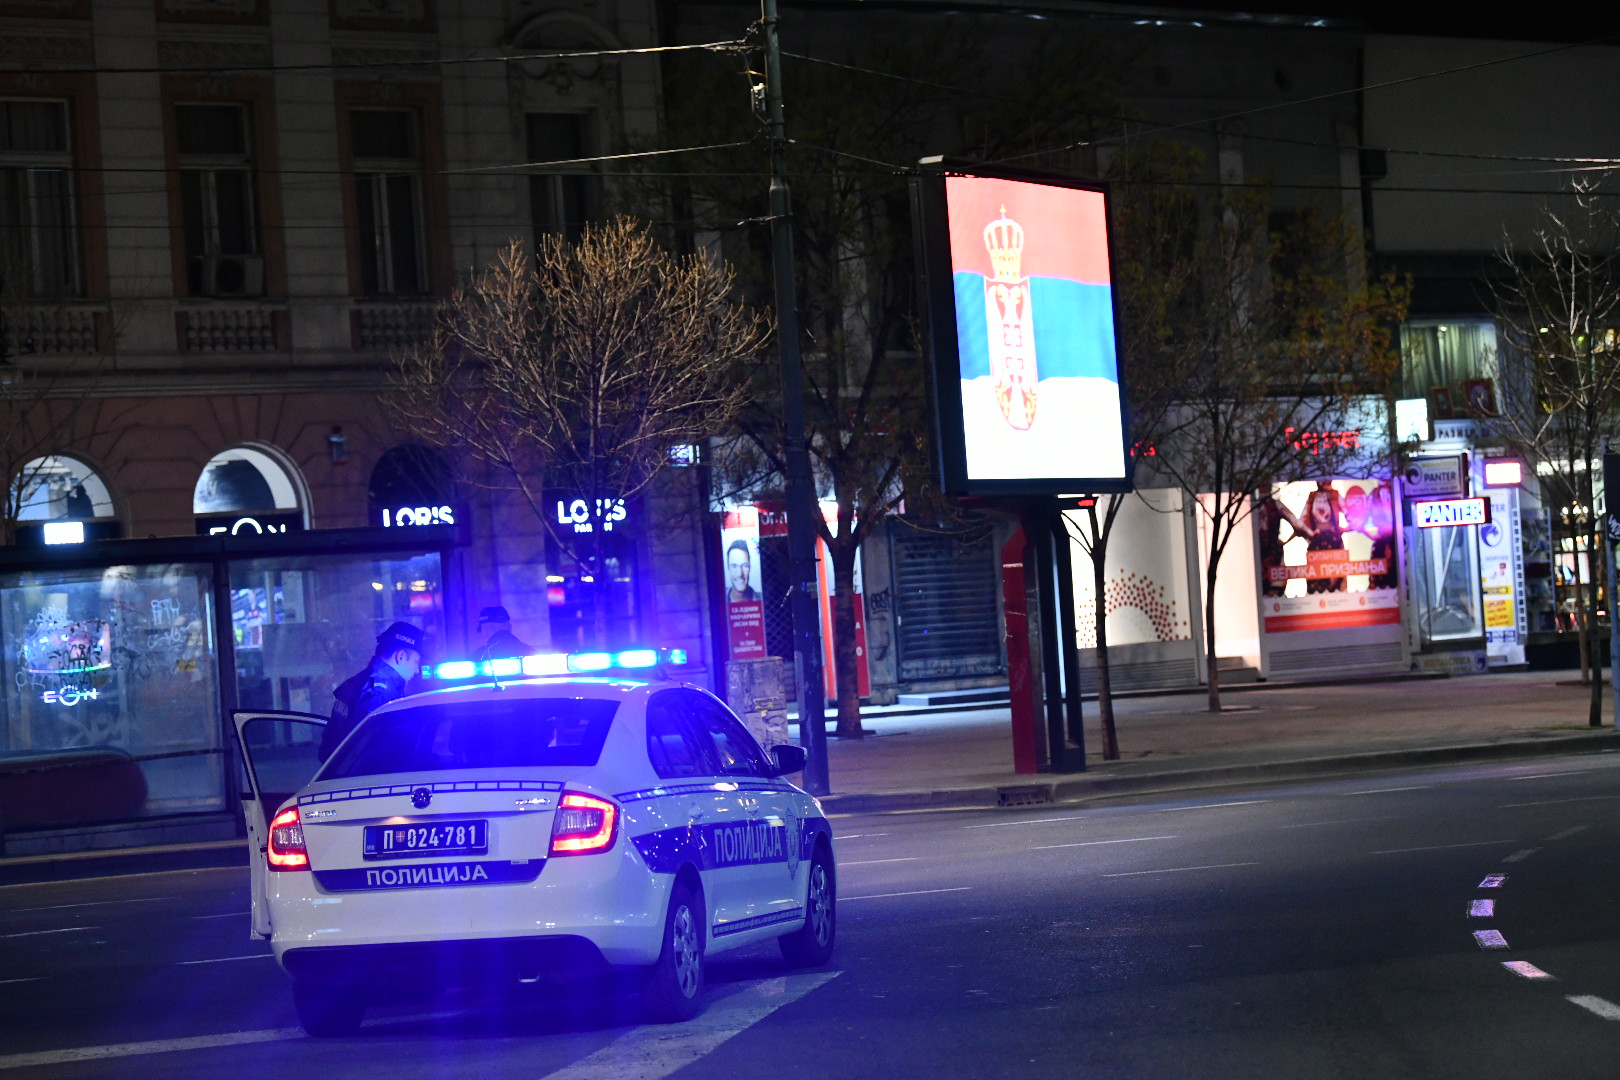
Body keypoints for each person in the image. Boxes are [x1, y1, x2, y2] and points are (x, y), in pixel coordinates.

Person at [320, 622, 426, 760]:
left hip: (340, 773)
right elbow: (374, 752)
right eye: (416, 662)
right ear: (400, 657)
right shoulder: (380, 695)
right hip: (365, 777)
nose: (417, 670)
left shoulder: (356, 683)